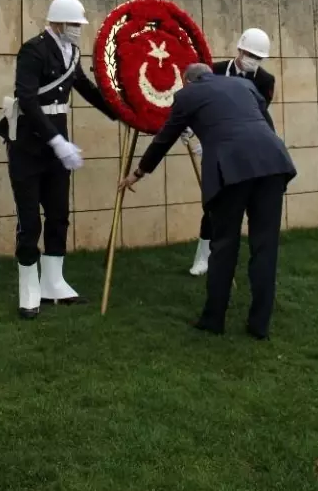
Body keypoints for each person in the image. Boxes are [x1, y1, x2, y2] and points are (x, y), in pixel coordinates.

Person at [120, 63, 296, 339]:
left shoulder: (187, 96)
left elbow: (164, 138)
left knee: (224, 245)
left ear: (187, 81)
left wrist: (138, 172)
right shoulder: (245, 85)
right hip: (272, 163)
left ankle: (214, 319)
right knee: (265, 247)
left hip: (231, 170)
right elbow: (266, 126)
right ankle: (259, 325)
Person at [0, 0, 116, 320]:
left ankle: (53, 281)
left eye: (79, 25)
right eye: (75, 24)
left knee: (59, 214)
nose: (78, 30)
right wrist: (56, 141)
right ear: (58, 23)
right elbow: (28, 99)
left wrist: (118, 112)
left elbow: (84, 86)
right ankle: (29, 287)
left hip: (56, 143)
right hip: (30, 146)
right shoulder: (33, 50)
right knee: (29, 220)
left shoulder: (71, 52)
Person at [188, 27, 275, 277]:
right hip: (215, 146)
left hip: (248, 149)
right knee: (214, 201)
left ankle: (233, 257)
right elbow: (199, 103)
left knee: (243, 201)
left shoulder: (265, 81)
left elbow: (255, 116)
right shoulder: (215, 71)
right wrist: (196, 132)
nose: (252, 60)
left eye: (258, 58)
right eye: (249, 54)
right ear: (239, 49)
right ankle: (203, 255)